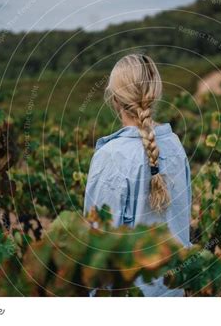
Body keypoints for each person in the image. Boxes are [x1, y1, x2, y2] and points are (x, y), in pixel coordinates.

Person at [83, 53, 192, 296]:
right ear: (156, 94)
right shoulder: (174, 145)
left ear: (114, 99)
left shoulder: (110, 156)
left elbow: (99, 246)